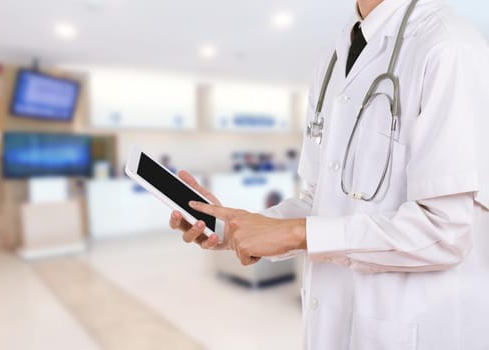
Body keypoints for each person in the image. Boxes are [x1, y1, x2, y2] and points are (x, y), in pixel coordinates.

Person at [169, 0, 489, 348]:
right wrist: (239, 227)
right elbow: (320, 200)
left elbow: (444, 231)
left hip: (413, 332)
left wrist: (296, 233)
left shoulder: (449, 46)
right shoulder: (333, 59)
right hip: (331, 327)